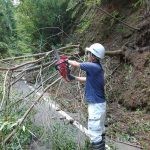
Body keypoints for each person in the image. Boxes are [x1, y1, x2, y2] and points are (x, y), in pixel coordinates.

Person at [67, 43, 106, 150]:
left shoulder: (93, 66)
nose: (87, 55)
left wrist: (65, 61)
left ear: (93, 55)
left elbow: (76, 64)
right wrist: (74, 77)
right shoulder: (97, 68)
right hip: (100, 105)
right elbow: (87, 80)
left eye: (89, 53)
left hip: (96, 106)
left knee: (94, 134)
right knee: (100, 132)